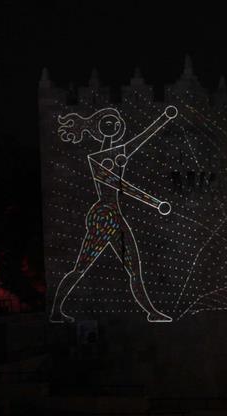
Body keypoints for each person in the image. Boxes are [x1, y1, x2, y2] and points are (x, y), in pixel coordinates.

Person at [50, 106, 178, 323]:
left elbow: (141, 138)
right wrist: (154, 203)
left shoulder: (118, 153)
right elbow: (122, 186)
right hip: (104, 216)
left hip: (115, 216)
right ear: (99, 127)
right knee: (81, 267)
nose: (113, 127)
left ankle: (151, 312)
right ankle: (55, 311)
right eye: (108, 124)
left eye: (116, 124)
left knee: (134, 268)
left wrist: (164, 119)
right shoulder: (97, 160)